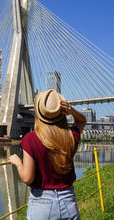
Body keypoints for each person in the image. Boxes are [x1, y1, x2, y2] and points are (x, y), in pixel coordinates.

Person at [8, 89, 86, 220]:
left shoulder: (30, 139)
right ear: (62, 112)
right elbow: (82, 121)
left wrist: (18, 163)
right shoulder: (70, 136)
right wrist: (71, 111)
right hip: (68, 202)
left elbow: (27, 178)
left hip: (41, 205)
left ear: (39, 113)